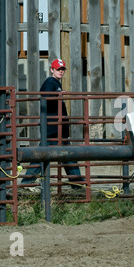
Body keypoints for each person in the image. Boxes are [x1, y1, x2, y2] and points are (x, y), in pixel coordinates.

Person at [21, 59, 84, 192]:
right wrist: (59, 94)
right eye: (58, 69)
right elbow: (47, 96)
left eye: (62, 69)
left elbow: (45, 94)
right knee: (55, 154)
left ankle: (77, 184)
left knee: (63, 155)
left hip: (57, 128)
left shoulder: (54, 83)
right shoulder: (51, 82)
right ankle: (27, 182)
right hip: (54, 128)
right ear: (52, 70)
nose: (60, 71)